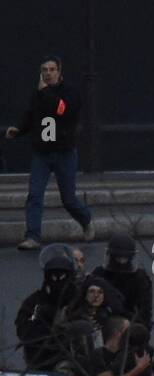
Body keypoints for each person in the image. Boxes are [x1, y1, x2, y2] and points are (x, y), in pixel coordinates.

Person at [5, 55, 94, 250]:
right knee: (35, 195)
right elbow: (31, 116)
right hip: (42, 153)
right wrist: (19, 129)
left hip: (64, 153)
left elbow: (61, 110)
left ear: (59, 72)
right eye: (44, 70)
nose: (47, 73)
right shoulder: (38, 94)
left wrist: (45, 92)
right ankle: (33, 236)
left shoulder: (69, 93)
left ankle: (86, 219)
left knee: (68, 199)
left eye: (51, 69)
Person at [15, 247, 78, 371]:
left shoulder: (78, 298)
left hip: (73, 360)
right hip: (39, 362)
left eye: (63, 275)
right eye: (54, 276)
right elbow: (22, 331)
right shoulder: (34, 302)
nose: (58, 280)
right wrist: (43, 319)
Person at [91, 233, 154, 329]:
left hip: (131, 322)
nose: (121, 262)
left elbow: (144, 311)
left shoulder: (140, 278)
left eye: (124, 258)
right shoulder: (100, 274)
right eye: (118, 258)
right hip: (103, 321)